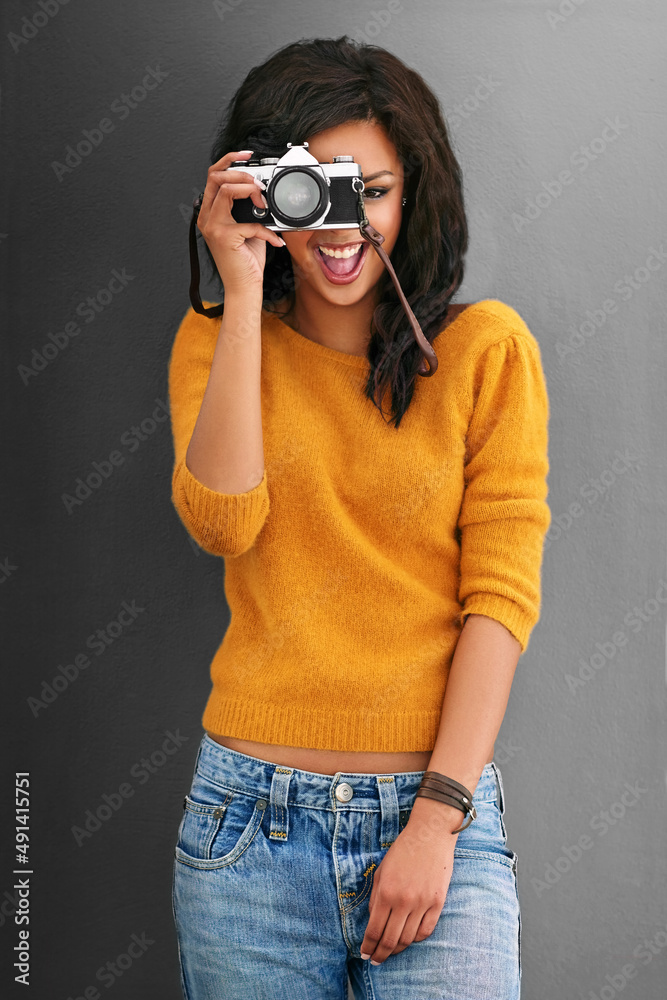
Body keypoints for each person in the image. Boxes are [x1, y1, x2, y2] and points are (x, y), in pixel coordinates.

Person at [168, 35, 550, 1000]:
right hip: (248, 826)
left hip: (438, 819)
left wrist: (435, 821)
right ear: (262, 187)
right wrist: (244, 279)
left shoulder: (485, 351)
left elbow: (499, 601)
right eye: (313, 191)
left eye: (369, 192)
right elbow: (222, 522)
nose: (341, 226)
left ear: (413, 195)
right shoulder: (215, 340)